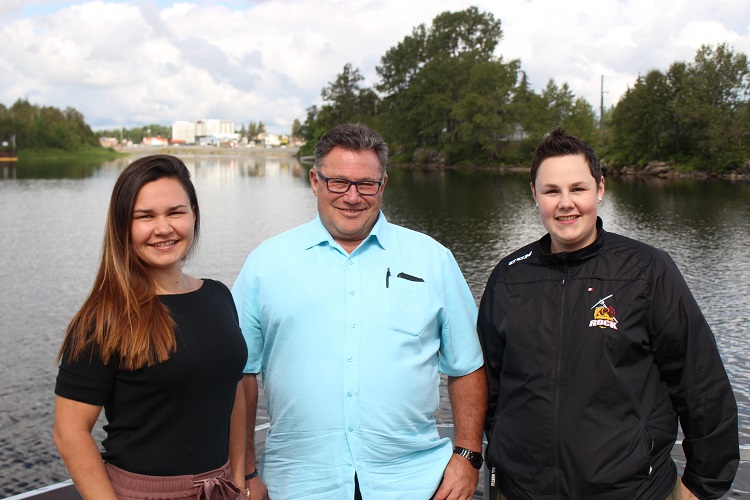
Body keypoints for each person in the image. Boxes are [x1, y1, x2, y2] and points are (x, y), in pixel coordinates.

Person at [478, 128, 739, 500]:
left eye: (578, 189)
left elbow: (700, 383)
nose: (565, 203)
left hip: (632, 490)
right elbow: (489, 385)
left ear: (599, 189)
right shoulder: (509, 276)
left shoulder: (647, 270)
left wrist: (702, 485)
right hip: (521, 490)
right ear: (535, 194)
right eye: (552, 191)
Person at [233, 123, 487, 500]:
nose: (352, 197)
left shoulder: (433, 259)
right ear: (315, 181)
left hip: (414, 484)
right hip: (298, 484)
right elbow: (241, 374)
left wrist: (467, 456)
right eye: (338, 182)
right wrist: (246, 471)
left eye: (366, 184)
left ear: (382, 185)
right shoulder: (265, 264)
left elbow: (466, 365)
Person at [53, 155, 248, 500]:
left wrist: (238, 478)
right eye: (145, 217)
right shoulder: (105, 317)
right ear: (122, 227)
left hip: (220, 489)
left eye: (176, 212)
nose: (163, 228)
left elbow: (230, 391)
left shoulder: (219, 296)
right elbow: (70, 432)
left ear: (194, 215)